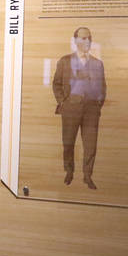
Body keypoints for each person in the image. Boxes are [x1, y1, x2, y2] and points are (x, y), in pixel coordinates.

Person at [52, 26, 106, 189]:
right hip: (70, 110)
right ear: (75, 41)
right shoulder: (64, 61)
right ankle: (69, 172)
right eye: (83, 38)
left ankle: (87, 176)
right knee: (68, 143)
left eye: (89, 38)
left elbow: (103, 87)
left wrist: (97, 105)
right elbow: (56, 84)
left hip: (91, 112)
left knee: (90, 145)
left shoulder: (98, 64)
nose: (87, 41)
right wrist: (63, 102)